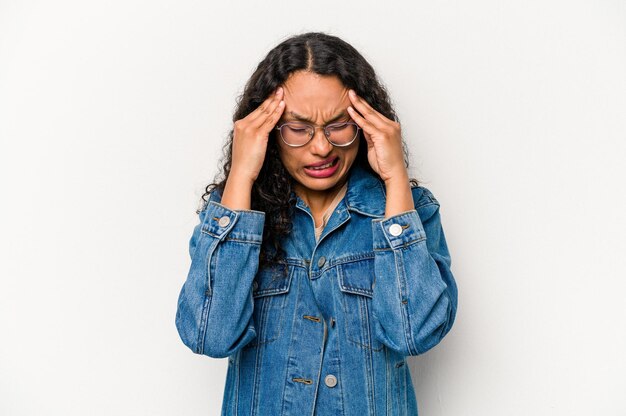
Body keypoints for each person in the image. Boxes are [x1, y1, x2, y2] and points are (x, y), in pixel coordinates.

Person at [175, 32, 458, 415]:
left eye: (339, 124)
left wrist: (395, 179)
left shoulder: (411, 211)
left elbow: (414, 333)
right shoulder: (233, 214)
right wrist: (242, 174)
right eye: (298, 128)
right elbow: (210, 335)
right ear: (268, 132)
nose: (322, 147)